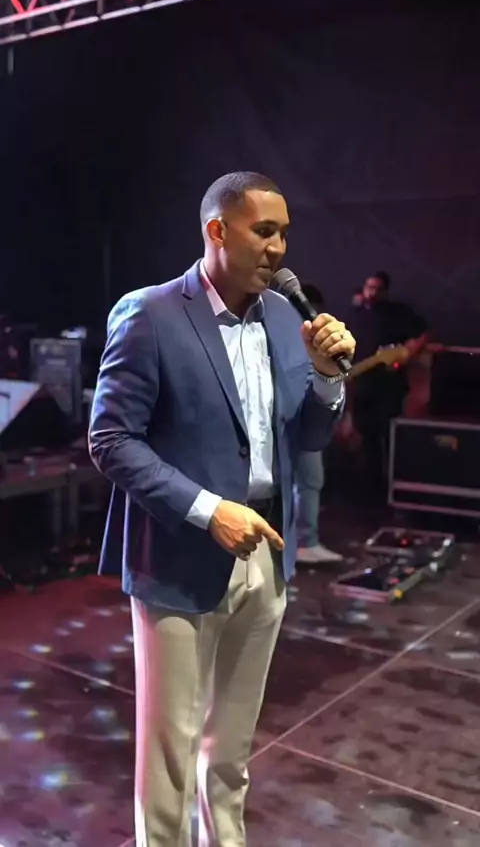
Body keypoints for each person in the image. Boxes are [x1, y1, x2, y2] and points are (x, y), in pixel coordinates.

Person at [89, 171, 356, 847]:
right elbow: (110, 440)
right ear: (217, 230)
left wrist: (328, 377)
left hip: (267, 552)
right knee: (172, 755)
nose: (278, 248)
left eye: (284, 233)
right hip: (180, 555)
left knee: (231, 749)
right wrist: (210, 510)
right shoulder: (151, 314)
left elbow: (306, 437)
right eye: (263, 231)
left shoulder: (285, 318)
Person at [351, 271, 427, 498]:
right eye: (369, 287)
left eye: (377, 289)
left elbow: (426, 333)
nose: (372, 293)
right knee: (366, 436)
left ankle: (392, 487)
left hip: (388, 386)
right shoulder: (355, 314)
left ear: (385, 291)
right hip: (362, 384)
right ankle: (370, 487)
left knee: (389, 437)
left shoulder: (398, 313)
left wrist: (410, 351)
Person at [295, 284, 343, 564]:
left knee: (303, 483)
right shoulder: (302, 337)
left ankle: (301, 542)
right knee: (309, 482)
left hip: (297, 420)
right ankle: (305, 542)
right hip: (300, 420)